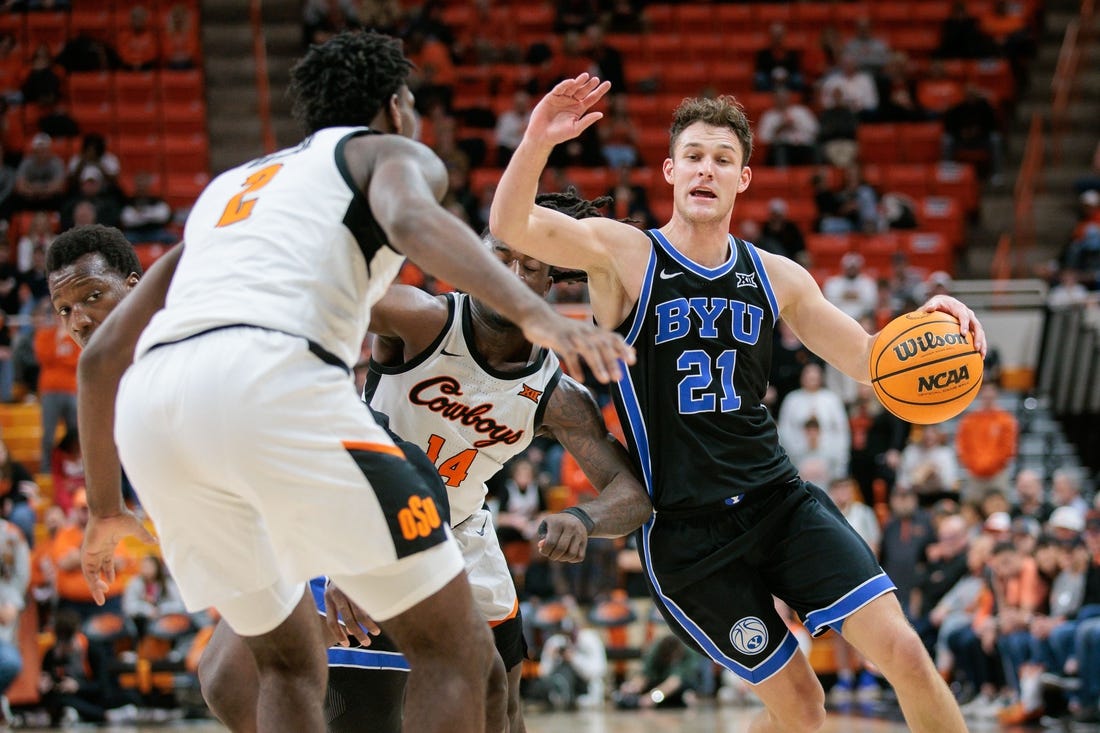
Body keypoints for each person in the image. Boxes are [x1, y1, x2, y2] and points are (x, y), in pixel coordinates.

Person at [77, 33, 632, 733]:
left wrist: (103, 509)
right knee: (461, 654)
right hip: (272, 384)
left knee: (282, 664)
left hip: (155, 410)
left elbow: (100, 358)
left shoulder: (232, 191)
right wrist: (536, 314)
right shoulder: (387, 152)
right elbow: (409, 217)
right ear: (395, 108)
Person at [490, 72, 985, 732]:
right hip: (689, 534)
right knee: (802, 706)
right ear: (669, 170)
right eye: (693, 155)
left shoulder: (778, 277)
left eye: (723, 159)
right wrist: (536, 139)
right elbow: (509, 223)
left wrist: (934, 318)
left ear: (743, 179)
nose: (706, 169)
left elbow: (872, 361)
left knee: (906, 652)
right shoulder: (627, 254)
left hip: (779, 501)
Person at [196, 191, 652, 733]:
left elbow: (632, 494)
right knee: (231, 678)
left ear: (550, 281)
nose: (506, 273)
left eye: (527, 266)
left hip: (460, 531)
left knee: (501, 711)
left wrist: (584, 519)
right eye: (496, 255)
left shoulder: (557, 394)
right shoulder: (422, 319)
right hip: (369, 514)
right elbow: (317, 300)